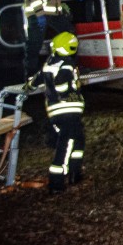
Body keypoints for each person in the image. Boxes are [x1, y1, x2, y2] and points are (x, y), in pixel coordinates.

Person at [38, 31, 85, 193]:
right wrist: (70, 89)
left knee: (79, 140)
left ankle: (75, 173)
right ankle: (57, 182)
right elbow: (62, 85)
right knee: (68, 143)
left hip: (58, 111)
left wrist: (27, 87)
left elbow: (37, 79)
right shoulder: (66, 65)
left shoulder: (50, 63)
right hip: (67, 110)